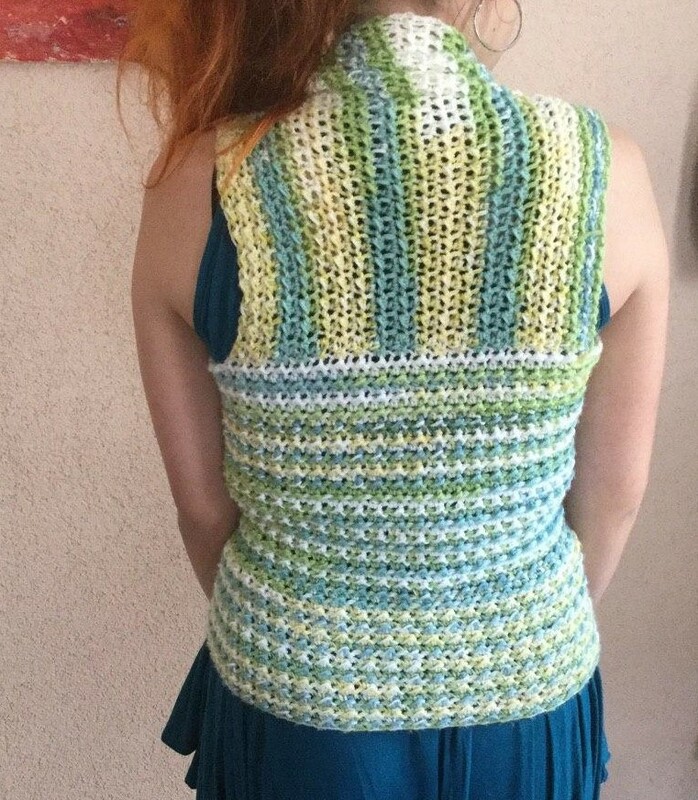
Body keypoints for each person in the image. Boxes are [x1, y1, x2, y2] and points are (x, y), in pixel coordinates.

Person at [124, 1, 669, 798]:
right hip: (526, 707)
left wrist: (311, 636)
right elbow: (616, 492)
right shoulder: (605, 167)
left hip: (300, 709)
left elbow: (205, 510)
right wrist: (510, 634)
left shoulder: (196, 182)